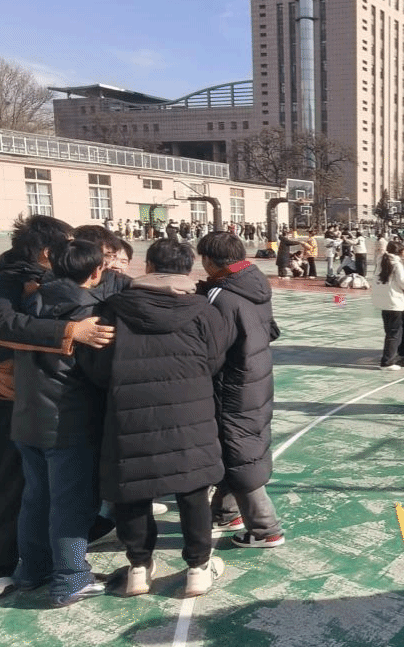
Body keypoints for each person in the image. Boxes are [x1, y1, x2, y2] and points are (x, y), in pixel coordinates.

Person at [0, 215, 114, 599]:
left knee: (38, 488)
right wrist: (70, 331)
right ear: (47, 251)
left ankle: (41, 562)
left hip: (27, 397)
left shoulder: (40, 278)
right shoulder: (3, 280)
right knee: (4, 484)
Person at [77, 238, 230, 598]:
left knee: (132, 490)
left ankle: (138, 568)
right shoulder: (204, 311)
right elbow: (214, 360)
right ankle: (198, 568)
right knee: (192, 489)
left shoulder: (113, 309)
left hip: (129, 413)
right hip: (190, 413)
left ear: (147, 268)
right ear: (188, 270)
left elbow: (96, 367)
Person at [11, 240, 112, 606]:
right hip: (68, 423)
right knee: (71, 503)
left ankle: (32, 570)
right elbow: (101, 374)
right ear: (97, 271)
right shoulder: (91, 316)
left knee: (36, 498)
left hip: (27, 419)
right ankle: (70, 578)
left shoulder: (27, 305)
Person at [195, 232, 285, 549]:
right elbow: (270, 329)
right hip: (255, 375)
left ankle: (265, 528)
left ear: (209, 260)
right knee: (237, 447)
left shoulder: (221, 295)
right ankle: (225, 511)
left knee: (239, 451)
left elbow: (211, 349)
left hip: (232, 382)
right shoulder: (252, 283)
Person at [370, 241, 404, 369]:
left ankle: (390, 356)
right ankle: (387, 361)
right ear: (400, 252)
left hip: (383, 301)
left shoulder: (381, 261)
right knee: (394, 333)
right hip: (394, 301)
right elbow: (403, 283)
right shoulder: (397, 264)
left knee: (389, 331)